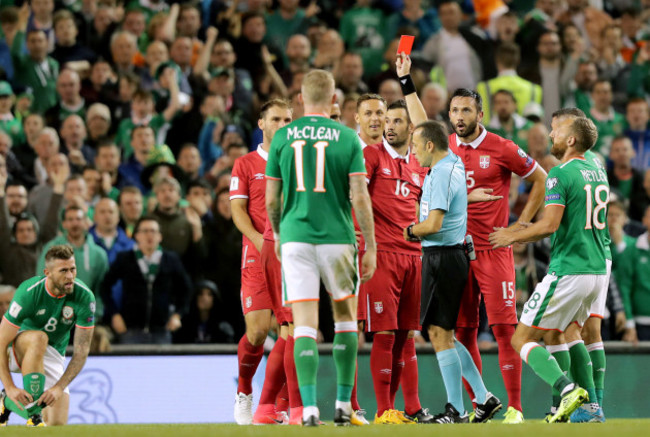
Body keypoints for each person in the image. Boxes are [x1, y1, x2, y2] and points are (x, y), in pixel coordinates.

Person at [265, 69, 376, 426]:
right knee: (345, 322)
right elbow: (360, 196)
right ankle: (344, 403)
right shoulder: (347, 138)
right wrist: (370, 245)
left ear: (299, 99)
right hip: (338, 241)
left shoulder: (282, 137)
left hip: (296, 238)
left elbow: (271, 200)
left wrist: (280, 236)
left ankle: (309, 407)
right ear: (333, 101)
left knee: (304, 325)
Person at [489, 113, 608, 423]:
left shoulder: (559, 173)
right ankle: (591, 407)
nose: (552, 136)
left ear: (571, 140)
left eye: (558, 131)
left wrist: (511, 234)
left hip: (569, 269)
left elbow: (550, 225)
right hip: (596, 269)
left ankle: (567, 390)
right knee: (566, 332)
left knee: (521, 339)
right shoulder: (597, 170)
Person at [404, 119, 503, 423]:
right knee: (442, 332)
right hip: (448, 256)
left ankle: (456, 410)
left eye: (417, 145)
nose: (414, 152)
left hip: (443, 257)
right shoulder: (454, 162)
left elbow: (432, 225)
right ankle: (483, 398)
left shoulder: (444, 170)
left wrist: (409, 231)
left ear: (430, 145)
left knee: (438, 333)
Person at [360, 98, 430, 425]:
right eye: (386, 120)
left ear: (410, 127)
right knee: (385, 333)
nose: (389, 126)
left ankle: (398, 409)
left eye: (397, 121)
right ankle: (382, 409)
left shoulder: (418, 164)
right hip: (383, 255)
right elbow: (355, 195)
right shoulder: (371, 156)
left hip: (414, 257)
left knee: (405, 335)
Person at [230, 99, 295, 425]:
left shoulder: (299, 162)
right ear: (261, 123)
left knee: (290, 331)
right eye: (276, 119)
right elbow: (237, 211)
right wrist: (260, 241)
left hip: (293, 256)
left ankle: (278, 405)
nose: (282, 124)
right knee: (257, 333)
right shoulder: (245, 163)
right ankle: (244, 390)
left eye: (287, 119)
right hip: (257, 254)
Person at [0, 245, 95, 426]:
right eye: (63, 271)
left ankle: (6, 402)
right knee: (39, 338)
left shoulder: (84, 297)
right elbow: (1, 341)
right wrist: (11, 387)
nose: (70, 276)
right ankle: (32, 413)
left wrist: (59, 388)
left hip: (53, 352)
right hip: (17, 347)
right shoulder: (29, 292)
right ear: (47, 272)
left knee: (56, 424)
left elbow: (81, 352)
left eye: (73, 269)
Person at [101, 216, 192, 344]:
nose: (149, 235)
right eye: (145, 231)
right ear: (137, 235)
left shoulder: (170, 259)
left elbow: (186, 289)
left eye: (153, 231)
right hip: (131, 330)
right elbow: (105, 286)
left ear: (160, 236)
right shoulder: (125, 258)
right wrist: (114, 314)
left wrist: (178, 315)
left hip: (162, 329)